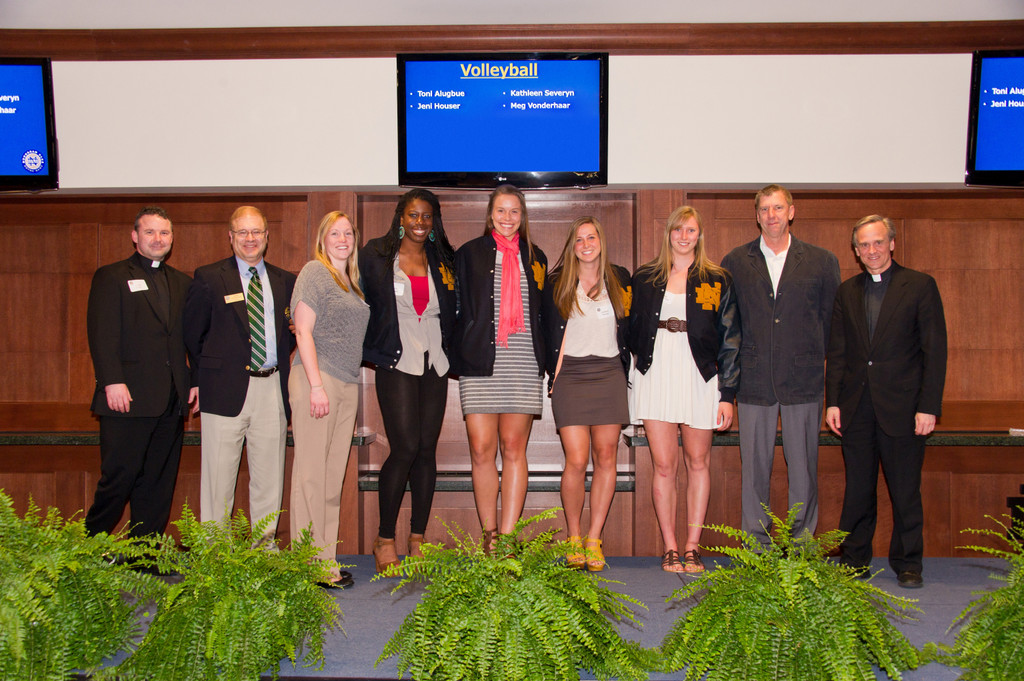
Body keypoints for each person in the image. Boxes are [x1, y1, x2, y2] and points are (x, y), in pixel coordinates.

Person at [825, 215, 947, 588]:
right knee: (858, 488)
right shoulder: (847, 291)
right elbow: (839, 352)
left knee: (905, 490)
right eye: (864, 245)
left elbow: (935, 350)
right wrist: (833, 402)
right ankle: (855, 558)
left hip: (906, 409)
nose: (871, 251)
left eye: (878, 242)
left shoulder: (920, 286)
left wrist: (929, 406)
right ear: (856, 250)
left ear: (892, 244)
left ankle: (909, 563)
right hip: (857, 407)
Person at [721, 184, 840, 547]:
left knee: (803, 469)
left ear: (791, 211)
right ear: (756, 216)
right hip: (753, 381)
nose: (771, 215)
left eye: (777, 208)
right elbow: (730, 326)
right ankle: (757, 544)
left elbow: (832, 326)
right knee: (755, 470)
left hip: (803, 381)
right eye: (764, 209)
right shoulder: (735, 262)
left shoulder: (821, 261)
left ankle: (802, 543)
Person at [630, 206, 740, 572]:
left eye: (690, 230)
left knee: (698, 462)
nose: (683, 236)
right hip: (656, 372)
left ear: (699, 235)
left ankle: (693, 547)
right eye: (677, 229)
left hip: (700, 375)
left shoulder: (717, 278)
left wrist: (727, 394)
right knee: (664, 466)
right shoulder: (645, 277)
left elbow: (731, 339)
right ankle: (671, 547)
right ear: (669, 233)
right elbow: (629, 330)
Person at [184, 205, 296, 545]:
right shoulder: (208, 277)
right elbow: (192, 334)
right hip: (222, 390)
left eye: (256, 232)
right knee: (218, 479)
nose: (250, 239)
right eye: (243, 232)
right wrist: (198, 381)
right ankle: (215, 553)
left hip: (271, 388)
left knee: (269, 477)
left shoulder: (285, 281)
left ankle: (264, 549)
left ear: (267, 236)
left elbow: (289, 334)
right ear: (230, 237)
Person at [360, 190, 457, 572]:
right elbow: (354, 293)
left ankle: (418, 537)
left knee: (427, 450)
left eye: (427, 217)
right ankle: (384, 537)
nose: (420, 223)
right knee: (404, 447)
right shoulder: (375, 255)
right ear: (400, 217)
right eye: (413, 215)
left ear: (434, 222)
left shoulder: (443, 258)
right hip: (396, 358)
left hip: (435, 360)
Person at [84, 206, 193, 537]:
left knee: (158, 483)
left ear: (172, 238)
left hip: (171, 401)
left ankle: (144, 558)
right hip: (125, 398)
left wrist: (194, 382)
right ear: (135, 236)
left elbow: (188, 339)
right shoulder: (112, 276)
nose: (158, 239)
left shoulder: (182, 283)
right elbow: (101, 333)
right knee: (119, 477)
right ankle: (87, 552)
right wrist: (111, 381)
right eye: (150, 232)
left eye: (164, 233)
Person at [452, 184, 547, 551]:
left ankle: (507, 539)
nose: (507, 218)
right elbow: (457, 308)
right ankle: (489, 536)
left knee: (513, 448)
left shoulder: (536, 256)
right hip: (480, 362)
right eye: (501, 211)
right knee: (481, 448)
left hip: (522, 361)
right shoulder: (469, 254)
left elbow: (544, 312)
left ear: (522, 217)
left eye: (514, 212)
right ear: (490, 214)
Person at [542, 216, 631, 572]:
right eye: (579, 239)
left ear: (600, 240)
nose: (586, 243)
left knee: (606, 455)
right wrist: (553, 375)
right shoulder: (555, 283)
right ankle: (574, 535)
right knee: (577, 460)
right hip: (572, 376)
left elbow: (632, 327)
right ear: (572, 246)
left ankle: (595, 537)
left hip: (609, 372)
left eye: (591, 236)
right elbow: (547, 331)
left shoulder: (621, 278)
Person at [289, 211, 369, 587]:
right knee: (311, 474)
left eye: (348, 233)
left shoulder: (351, 283)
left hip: (347, 383)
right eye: (334, 233)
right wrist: (316, 384)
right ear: (322, 239)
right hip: (316, 381)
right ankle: (308, 561)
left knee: (332, 476)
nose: (342, 239)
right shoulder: (314, 272)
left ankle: (326, 558)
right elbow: (302, 331)